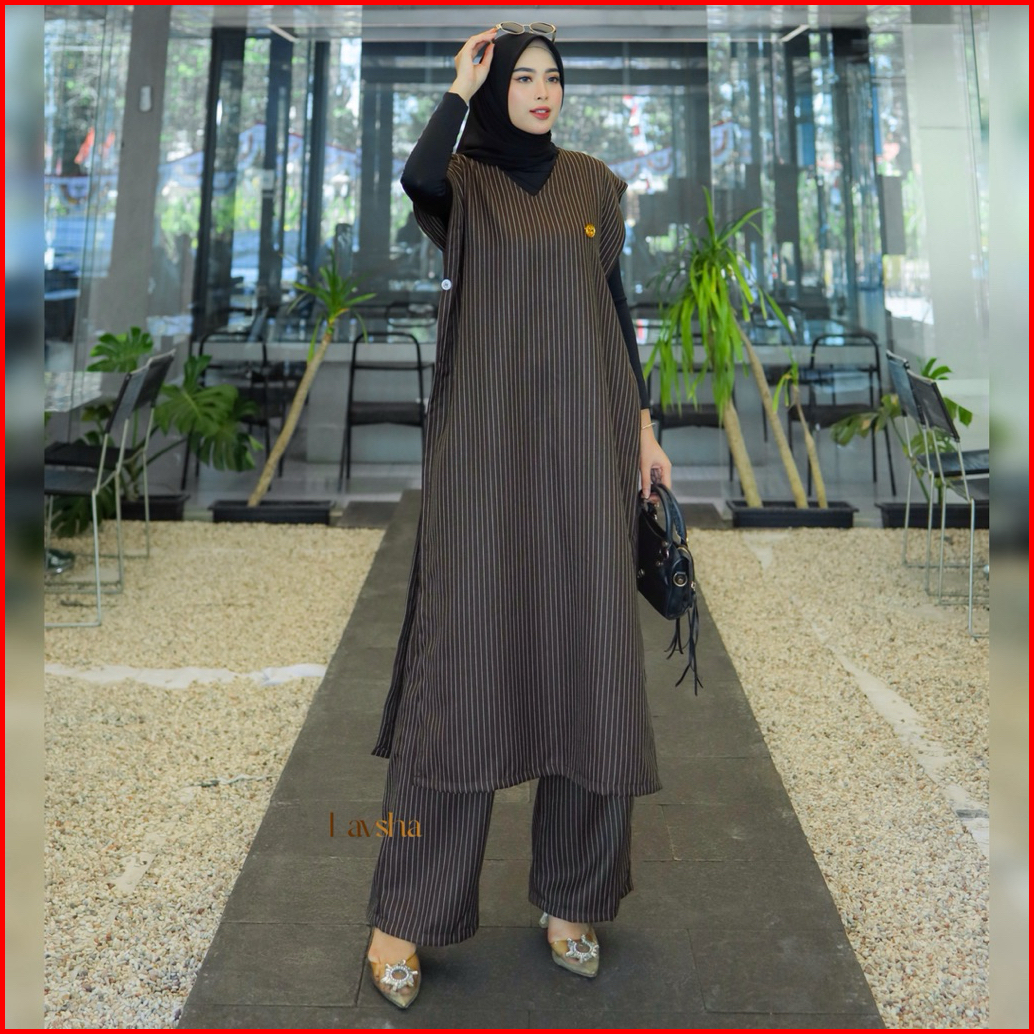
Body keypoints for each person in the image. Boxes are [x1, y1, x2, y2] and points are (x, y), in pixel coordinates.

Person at [363, 23, 672, 1009]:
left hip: (587, 450)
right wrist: (460, 86)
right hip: (484, 456)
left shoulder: (592, 186)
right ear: (496, 88)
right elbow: (415, 172)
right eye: (522, 77)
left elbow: (615, 310)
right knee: (455, 677)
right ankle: (402, 914)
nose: (541, 91)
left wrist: (643, 429)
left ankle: (573, 901)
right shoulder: (462, 183)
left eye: (553, 77)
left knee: (591, 669)